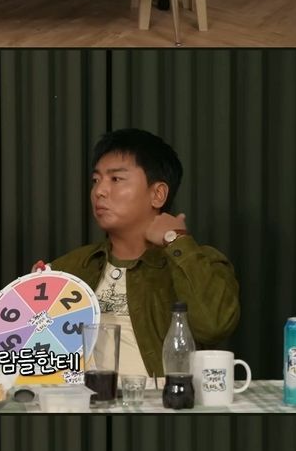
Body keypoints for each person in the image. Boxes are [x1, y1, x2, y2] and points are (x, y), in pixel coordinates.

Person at [33, 128, 240, 379]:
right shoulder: (71, 267)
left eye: (116, 179)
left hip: (160, 400)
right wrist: (33, 301)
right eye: (96, 180)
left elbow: (214, 326)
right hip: (81, 398)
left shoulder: (197, 262)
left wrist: (178, 242)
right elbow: (34, 356)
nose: (99, 191)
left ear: (157, 194)